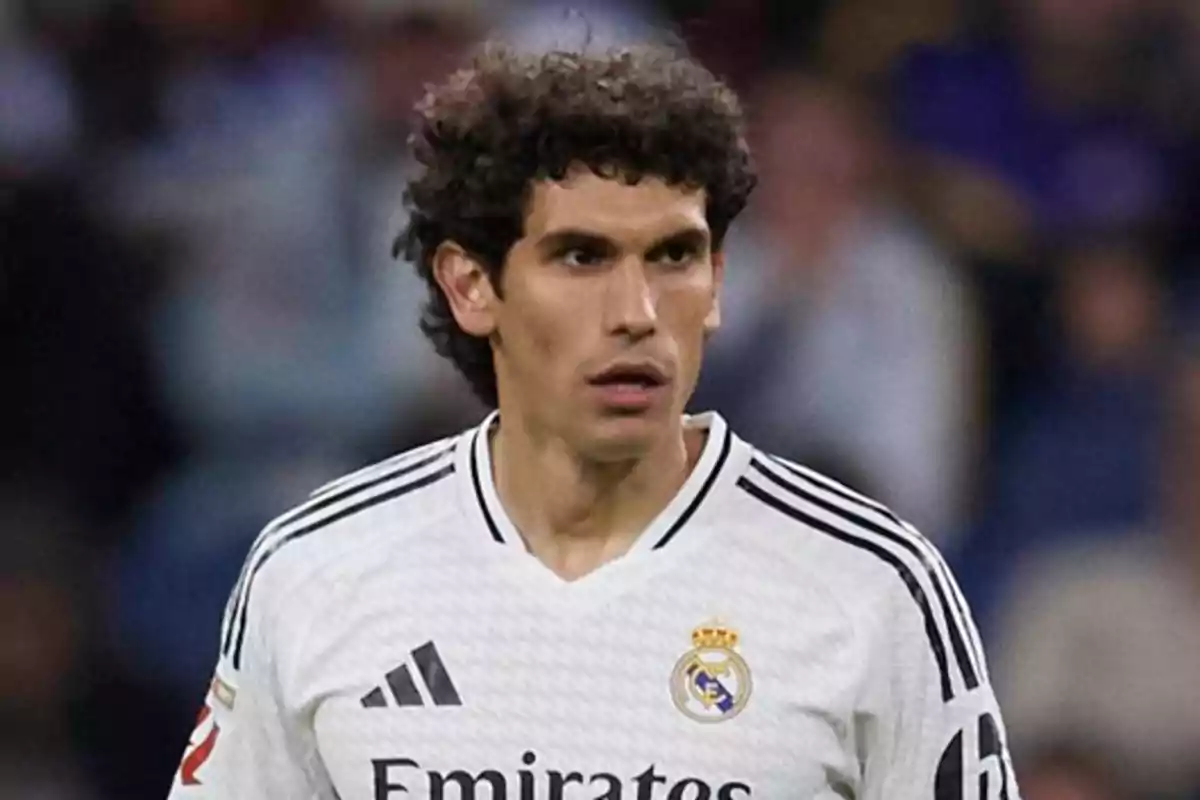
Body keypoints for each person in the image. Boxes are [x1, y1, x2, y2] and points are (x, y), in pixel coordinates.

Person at [167, 41, 1018, 799]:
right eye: (582, 257)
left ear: (717, 281)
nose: (638, 311)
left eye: (675, 256)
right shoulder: (316, 571)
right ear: (471, 285)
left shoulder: (873, 586)